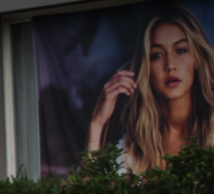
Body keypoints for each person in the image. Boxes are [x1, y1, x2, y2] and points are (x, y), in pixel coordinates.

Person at [87, 4, 214, 172]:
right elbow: (88, 193)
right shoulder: (135, 148)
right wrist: (97, 123)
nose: (170, 65)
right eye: (157, 55)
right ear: (146, 67)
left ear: (197, 59)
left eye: (181, 50)